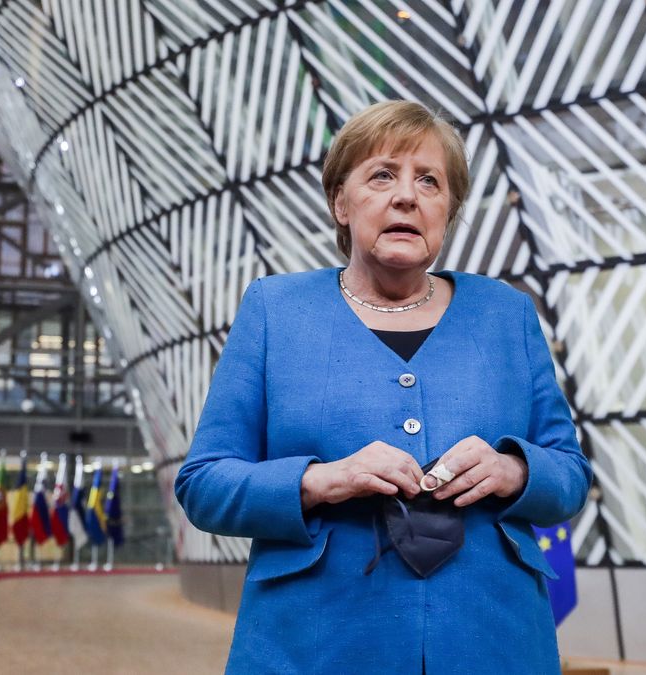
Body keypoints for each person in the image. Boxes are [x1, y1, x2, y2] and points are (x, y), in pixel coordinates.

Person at [174, 100, 592, 674]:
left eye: (429, 181)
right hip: (314, 645)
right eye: (382, 176)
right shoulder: (275, 311)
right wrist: (323, 481)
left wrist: (515, 471)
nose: (407, 196)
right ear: (340, 203)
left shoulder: (507, 315)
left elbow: (570, 477)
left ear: (448, 208)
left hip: (491, 640)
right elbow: (203, 484)